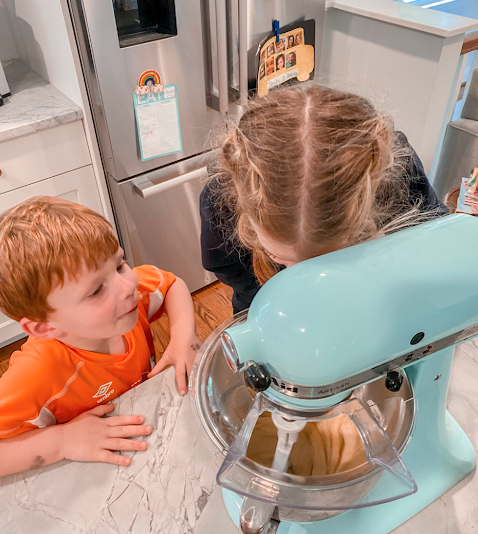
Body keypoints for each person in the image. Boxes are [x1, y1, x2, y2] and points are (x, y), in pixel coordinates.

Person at [200, 84, 448, 313]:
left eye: (331, 258)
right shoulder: (221, 199)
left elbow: (436, 242)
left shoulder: (398, 170)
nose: (302, 277)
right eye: (276, 256)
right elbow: (230, 271)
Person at [0, 197, 201, 477]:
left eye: (119, 265)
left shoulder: (126, 302)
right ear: (45, 328)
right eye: (96, 291)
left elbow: (171, 284)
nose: (128, 286)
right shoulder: (37, 371)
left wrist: (184, 336)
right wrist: (62, 441)